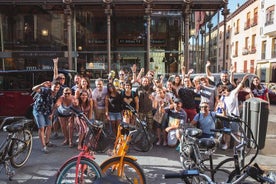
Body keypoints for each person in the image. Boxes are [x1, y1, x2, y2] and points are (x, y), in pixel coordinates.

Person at [218, 74, 249, 150]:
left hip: (234, 116)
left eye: (224, 91)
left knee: (235, 132)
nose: (223, 93)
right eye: (221, 92)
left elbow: (239, 87)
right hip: (225, 116)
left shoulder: (233, 94)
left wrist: (243, 80)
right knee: (226, 132)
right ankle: (227, 145)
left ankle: (237, 146)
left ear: (227, 89)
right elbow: (220, 106)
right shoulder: (223, 97)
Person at [32, 81, 60, 153]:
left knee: (49, 126)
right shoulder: (45, 90)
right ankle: (44, 146)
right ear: (51, 86)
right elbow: (34, 89)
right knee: (41, 128)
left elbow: (54, 105)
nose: (56, 88)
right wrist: (41, 84)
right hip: (39, 110)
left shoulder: (56, 95)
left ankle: (47, 142)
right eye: (55, 86)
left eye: (58, 87)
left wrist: (52, 114)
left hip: (48, 112)